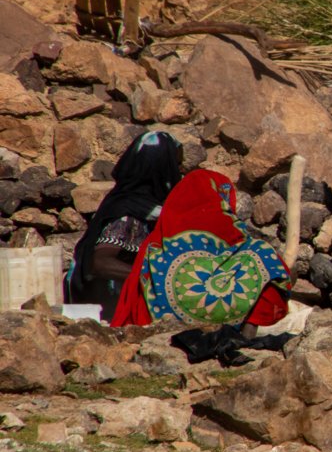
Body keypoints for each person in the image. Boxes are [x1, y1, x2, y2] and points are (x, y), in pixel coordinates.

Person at [111, 169, 292, 336]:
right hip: (224, 314)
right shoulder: (227, 225)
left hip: (161, 324)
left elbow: (136, 285)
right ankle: (246, 338)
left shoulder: (156, 240)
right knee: (264, 260)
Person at [65, 131, 184, 321]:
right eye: (176, 165)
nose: (180, 172)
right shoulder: (129, 213)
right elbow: (100, 263)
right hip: (108, 312)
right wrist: (157, 279)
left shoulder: (145, 208)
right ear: (162, 169)